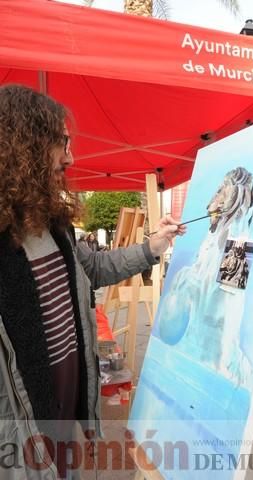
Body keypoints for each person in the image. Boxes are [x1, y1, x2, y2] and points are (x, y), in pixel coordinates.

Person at [0, 84, 186, 479]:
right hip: (22, 419)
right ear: (25, 145)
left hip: (69, 395)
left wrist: (153, 245)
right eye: (62, 143)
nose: (71, 157)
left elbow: (97, 269)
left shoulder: (56, 227)